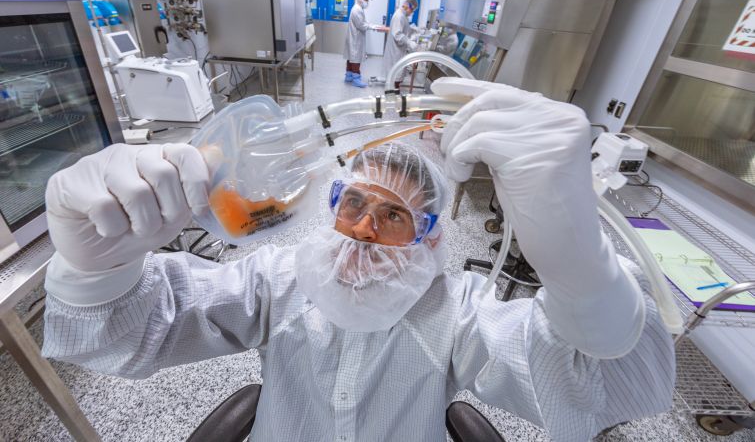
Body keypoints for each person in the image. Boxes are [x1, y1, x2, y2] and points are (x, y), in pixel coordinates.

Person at [41, 78, 675, 442]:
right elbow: (138, 336)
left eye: (394, 216)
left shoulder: (456, 315)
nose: (365, 232)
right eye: (353, 206)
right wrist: (98, 267)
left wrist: (583, 273)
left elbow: (613, 391)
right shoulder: (280, 280)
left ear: (431, 238)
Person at [343, 0, 386, 88]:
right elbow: (361, 25)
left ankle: (349, 76)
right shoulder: (357, 9)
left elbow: (363, 22)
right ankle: (356, 79)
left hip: (354, 37)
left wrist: (373, 25)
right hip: (355, 38)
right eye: (366, 0)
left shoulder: (358, 9)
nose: (367, 2)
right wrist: (373, 28)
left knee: (351, 57)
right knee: (355, 58)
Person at [382, 0, 419, 90]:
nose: (412, 13)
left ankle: (394, 94)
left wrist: (411, 29)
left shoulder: (403, 15)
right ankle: (392, 97)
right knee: (395, 77)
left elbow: (402, 29)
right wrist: (409, 42)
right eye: (413, 10)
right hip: (395, 51)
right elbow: (398, 34)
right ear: (409, 6)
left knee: (396, 76)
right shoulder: (399, 16)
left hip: (398, 51)